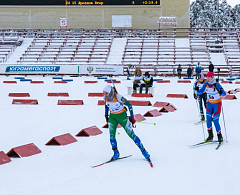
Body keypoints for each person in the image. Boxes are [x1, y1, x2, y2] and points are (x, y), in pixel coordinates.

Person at [103, 85, 151, 161]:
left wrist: (132, 117)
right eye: (104, 93)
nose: (105, 95)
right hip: (112, 117)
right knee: (111, 135)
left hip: (122, 117)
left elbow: (129, 105)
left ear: (111, 92)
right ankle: (116, 152)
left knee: (131, 134)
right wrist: (106, 115)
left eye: (106, 93)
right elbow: (106, 106)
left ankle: (143, 151)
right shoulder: (105, 98)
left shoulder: (118, 97)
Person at [196, 72, 226, 143]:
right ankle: (210, 136)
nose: (207, 79)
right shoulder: (206, 84)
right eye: (207, 77)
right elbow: (200, 92)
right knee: (208, 120)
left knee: (215, 120)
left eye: (209, 77)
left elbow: (224, 93)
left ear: (212, 77)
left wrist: (221, 91)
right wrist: (197, 90)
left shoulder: (216, 84)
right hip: (209, 104)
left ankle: (219, 136)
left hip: (217, 104)